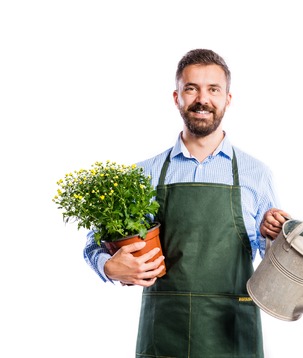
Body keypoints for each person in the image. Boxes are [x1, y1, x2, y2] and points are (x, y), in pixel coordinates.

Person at [84, 48, 290, 357]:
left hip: (233, 329)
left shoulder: (256, 174)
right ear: (177, 97)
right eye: (191, 88)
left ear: (227, 99)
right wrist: (109, 266)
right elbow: (94, 243)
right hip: (165, 329)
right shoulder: (146, 173)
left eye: (213, 90)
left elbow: (274, 268)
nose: (202, 99)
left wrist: (274, 236)